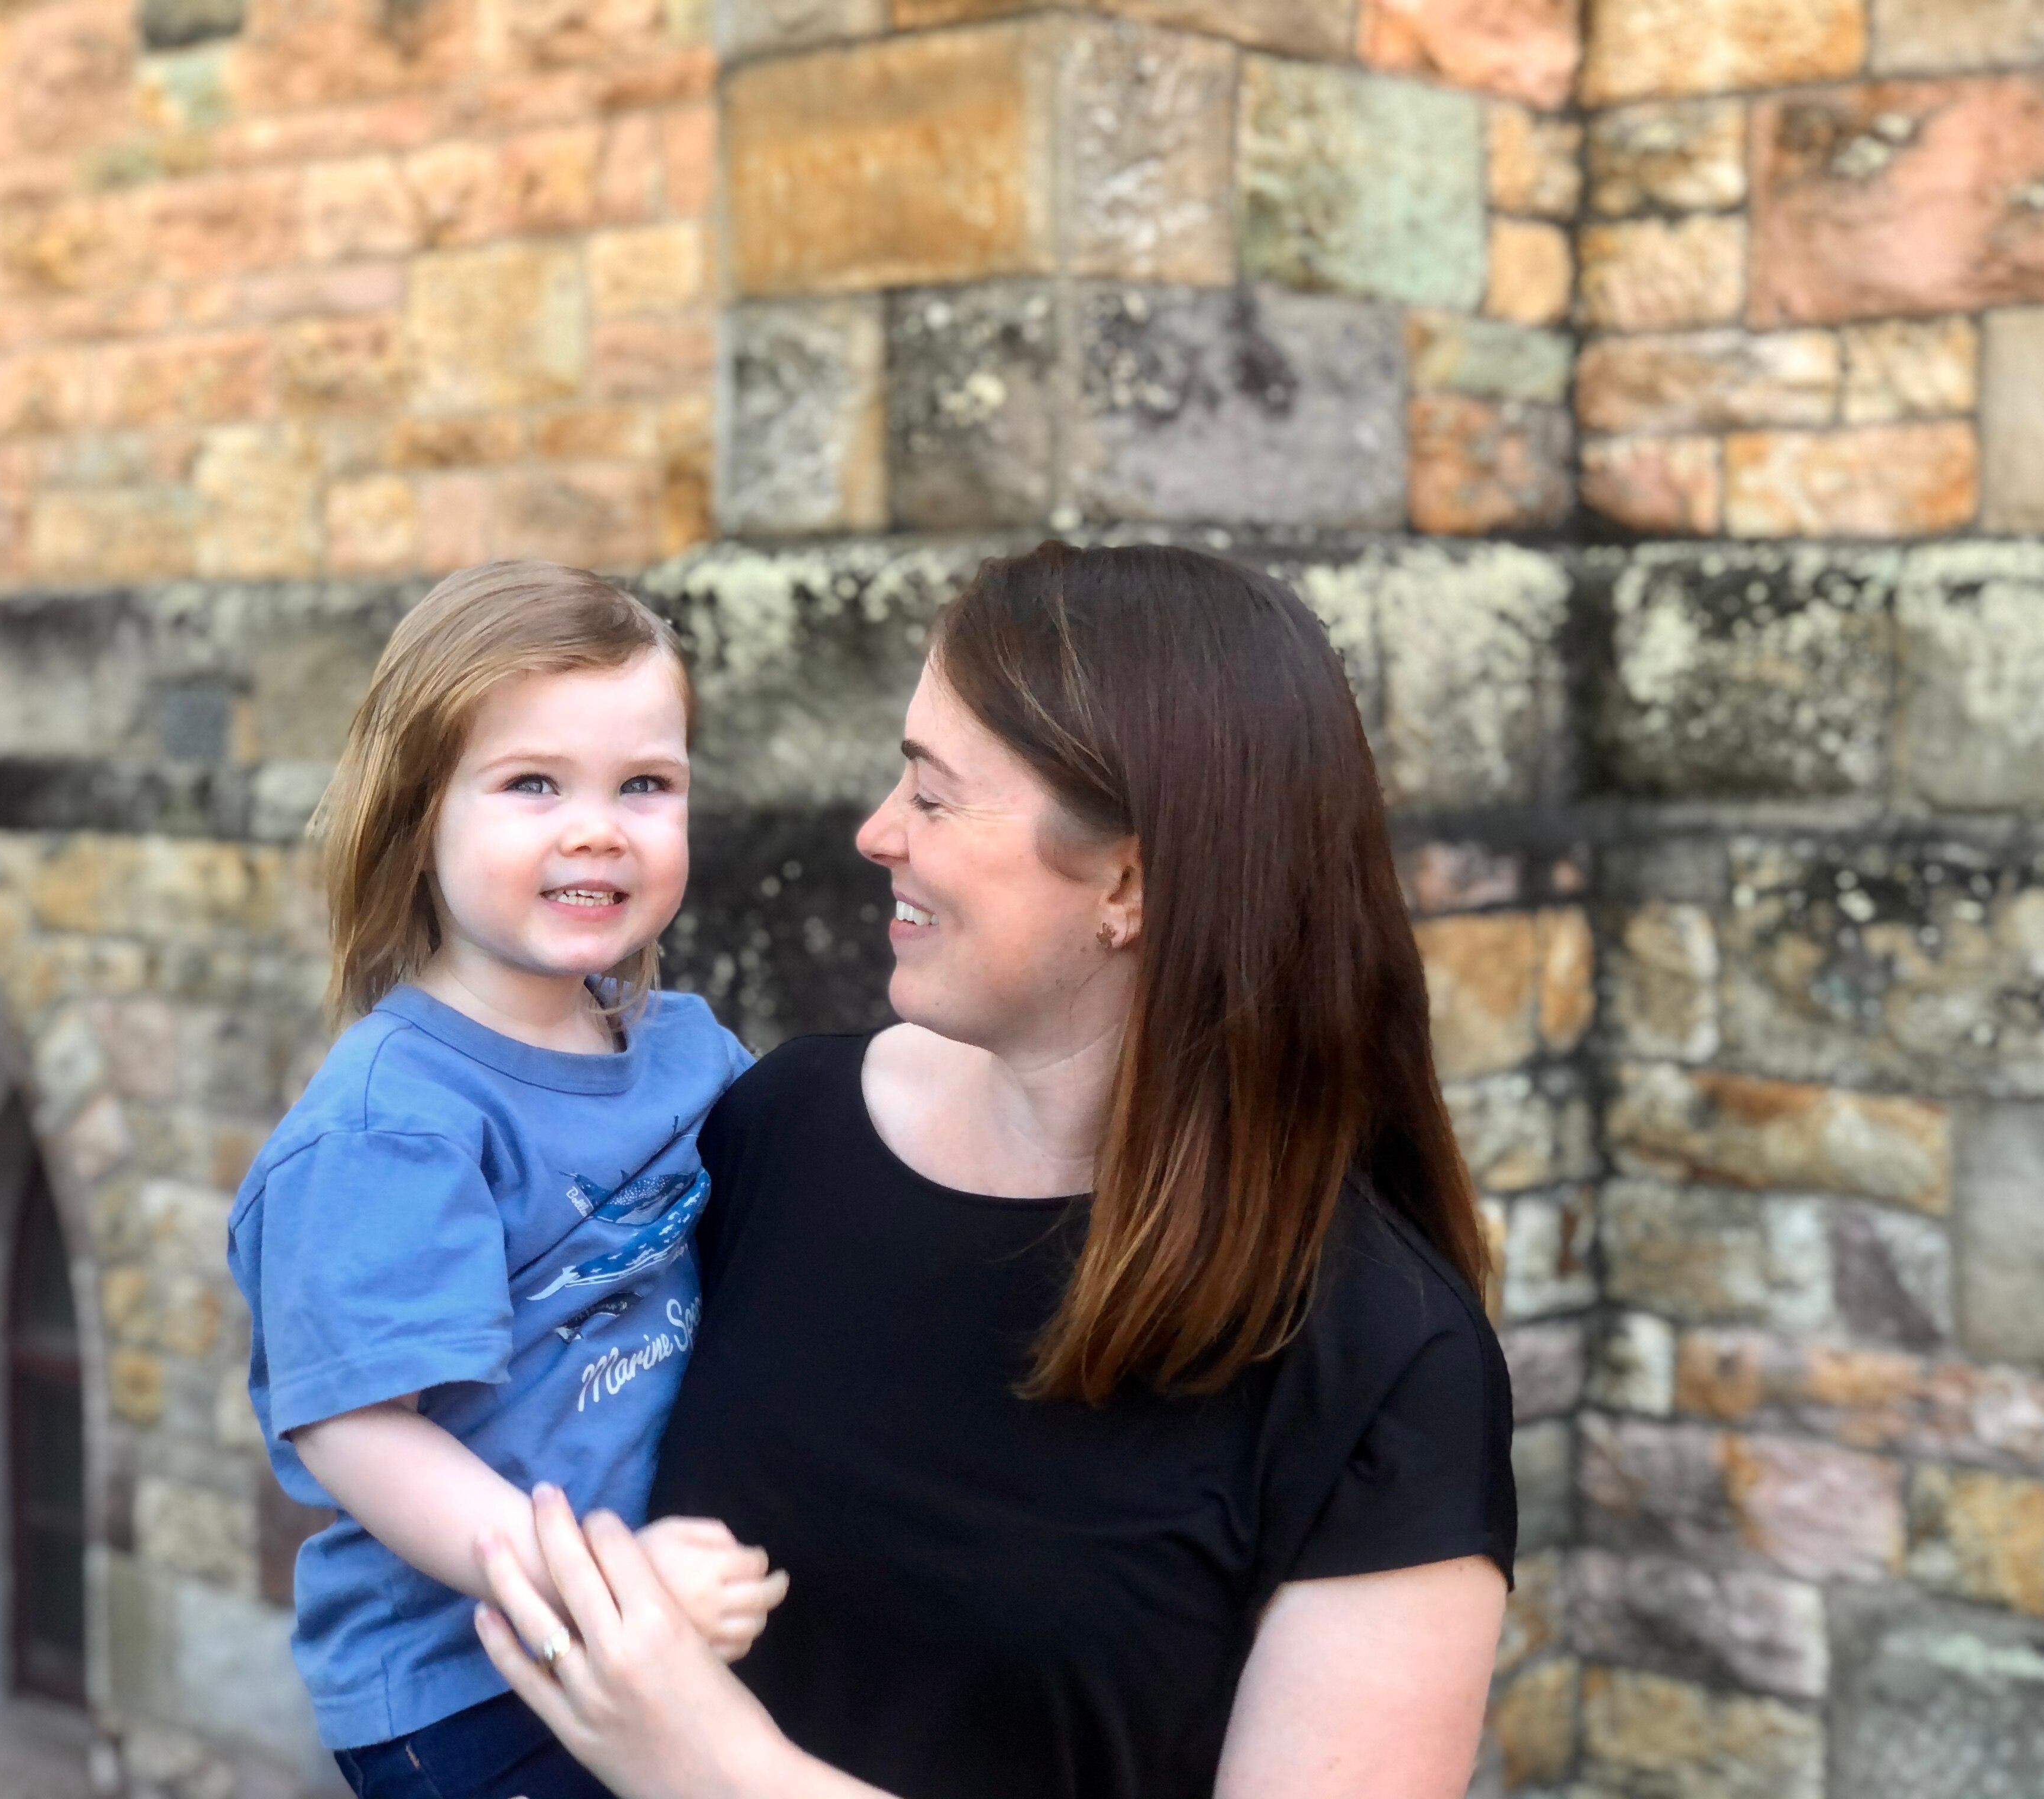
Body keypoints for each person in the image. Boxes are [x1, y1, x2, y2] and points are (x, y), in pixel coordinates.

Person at [473, 541, 1519, 1799]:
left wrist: (718, 1770)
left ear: (1126, 878)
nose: (875, 833)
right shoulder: (779, 1130)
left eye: (931, 793)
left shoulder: (1379, 1359)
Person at [224, 562, 786, 1799]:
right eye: (533, 783)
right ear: (417, 814)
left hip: (667, 1628)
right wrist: (606, 1589)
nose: (598, 828)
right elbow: (364, 1435)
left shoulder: (691, 1050)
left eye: (645, 785)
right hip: (476, 1687)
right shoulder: (395, 1125)